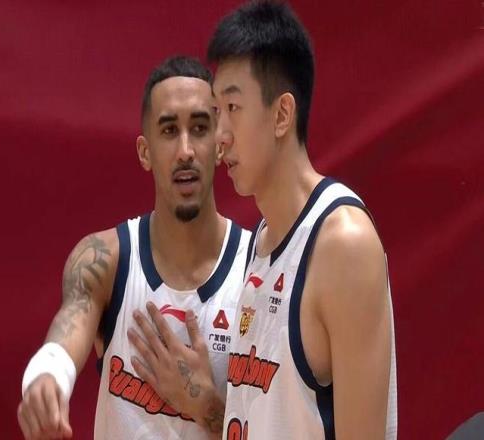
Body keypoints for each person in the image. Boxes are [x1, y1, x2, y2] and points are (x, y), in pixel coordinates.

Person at [130, 2, 397, 439]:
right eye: (217, 112)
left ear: (282, 114)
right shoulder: (263, 241)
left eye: (233, 107)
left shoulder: (342, 243)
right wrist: (205, 404)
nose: (220, 136)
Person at [17, 55, 251, 440]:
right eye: (169, 130)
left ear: (219, 145)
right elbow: (65, 336)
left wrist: (206, 404)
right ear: (145, 152)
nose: (186, 150)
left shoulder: (258, 268)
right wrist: (47, 376)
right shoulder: (105, 260)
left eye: (199, 128)